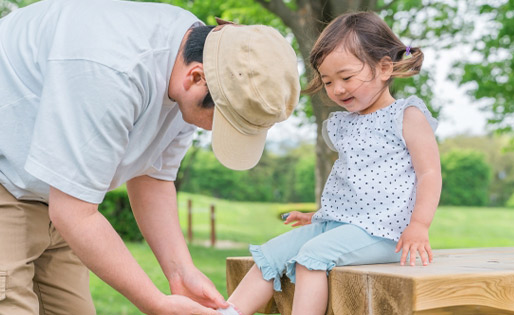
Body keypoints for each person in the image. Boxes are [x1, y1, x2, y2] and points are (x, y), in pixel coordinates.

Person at [0, 0, 300, 314]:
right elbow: (75, 213)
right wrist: (155, 303)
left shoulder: (201, 62)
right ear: (196, 79)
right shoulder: (111, 69)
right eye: (223, 121)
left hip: (54, 195)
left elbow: (153, 179)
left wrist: (181, 271)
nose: (214, 131)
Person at [221, 11, 441, 315]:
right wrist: (319, 216)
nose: (337, 89)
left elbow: (429, 173)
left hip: (387, 234)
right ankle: (228, 312)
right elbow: (355, 181)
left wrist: (419, 225)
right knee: (272, 253)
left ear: (385, 68)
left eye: (346, 77)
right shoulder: (344, 123)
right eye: (327, 81)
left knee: (312, 255)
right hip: (340, 226)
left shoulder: (407, 116)